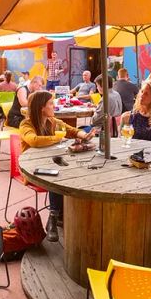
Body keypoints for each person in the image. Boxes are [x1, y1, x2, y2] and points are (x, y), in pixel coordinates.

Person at [20, 90, 94, 242]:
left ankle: (64, 214)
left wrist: (84, 135)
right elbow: (33, 140)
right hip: (33, 168)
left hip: (51, 161)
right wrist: (57, 138)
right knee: (58, 175)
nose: (54, 106)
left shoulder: (52, 121)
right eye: (51, 103)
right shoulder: (26, 124)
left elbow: (70, 130)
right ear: (42, 107)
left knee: (72, 171)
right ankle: (54, 216)